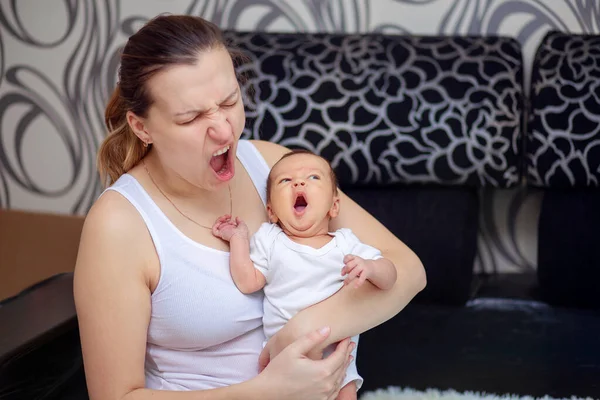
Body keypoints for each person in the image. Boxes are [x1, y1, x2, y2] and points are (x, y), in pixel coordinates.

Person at [73, 13, 426, 400]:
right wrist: (266, 390)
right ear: (142, 127)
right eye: (191, 118)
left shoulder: (274, 168)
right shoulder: (119, 224)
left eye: (230, 101)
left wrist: (302, 330)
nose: (225, 131)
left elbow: (408, 269)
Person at [212, 150, 398, 400]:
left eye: (313, 177)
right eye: (285, 181)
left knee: (345, 391)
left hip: (338, 353)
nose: (299, 182)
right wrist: (238, 240)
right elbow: (248, 281)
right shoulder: (271, 239)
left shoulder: (345, 243)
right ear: (272, 212)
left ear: (334, 206)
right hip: (286, 355)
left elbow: (390, 277)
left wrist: (372, 268)